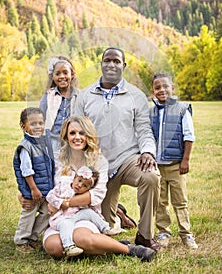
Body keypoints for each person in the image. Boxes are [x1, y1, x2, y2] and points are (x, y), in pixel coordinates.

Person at [74, 46, 161, 252]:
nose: (111, 64)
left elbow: (144, 130)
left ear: (123, 65)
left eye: (116, 61)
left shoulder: (136, 95)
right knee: (103, 231)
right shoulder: (85, 96)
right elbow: (75, 130)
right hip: (97, 165)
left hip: (128, 159)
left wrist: (147, 151)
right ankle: (118, 215)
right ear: (101, 63)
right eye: (107, 60)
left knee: (151, 177)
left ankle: (145, 235)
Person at [43, 115, 155, 261]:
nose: (77, 137)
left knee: (81, 238)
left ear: (88, 135)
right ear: (66, 135)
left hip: (84, 214)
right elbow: (43, 184)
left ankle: (128, 249)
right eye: (72, 133)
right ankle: (101, 244)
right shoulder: (57, 159)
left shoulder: (98, 161)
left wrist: (63, 203)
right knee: (55, 248)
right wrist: (26, 194)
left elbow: (96, 195)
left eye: (82, 133)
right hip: (60, 218)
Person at [149, 72, 198, 249]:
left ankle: (186, 234)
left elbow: (189, 136)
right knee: (160, 201)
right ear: (153, 90)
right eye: (157, 87)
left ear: (172, 88)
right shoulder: (151, 112)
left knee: (180, 200)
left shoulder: (182, 109)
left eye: (165, 86)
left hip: (176, 165)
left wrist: (185, 160)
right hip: (157, 166)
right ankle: (163, 232)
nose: (162, 90)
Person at [13, 107, 55, 253]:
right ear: (23, 126)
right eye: (33, 124)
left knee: (48, 212)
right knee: (29, 213)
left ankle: (33, 237)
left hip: (45, 189)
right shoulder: (26, 146)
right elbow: (26, 171)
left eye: (40, 123)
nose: (37, 127)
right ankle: (21, 240)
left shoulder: (44, 142)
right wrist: (33, 189)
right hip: (33, 190)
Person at [46, 165, 110, 257]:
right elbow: (50, 196)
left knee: (88, 212)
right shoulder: (63, 186)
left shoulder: (82, 194)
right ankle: (69, 246)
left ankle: (105, 228)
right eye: (79, 181)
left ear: (88, 189)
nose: (80, 185)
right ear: (75, 177)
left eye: (85, 185)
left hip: (75, 216)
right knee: (66, 225)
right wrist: (60, 203)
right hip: (61, 218)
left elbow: (91, 206)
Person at [39, 56, 78, 157]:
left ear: (72, 74)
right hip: (52, 140)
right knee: (53, 167)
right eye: (57, 73)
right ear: (53, 76)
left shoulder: (79, 96)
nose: (62, 76)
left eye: (65, 72)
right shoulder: (48, 95)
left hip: (72, 140)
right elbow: (40, 118)